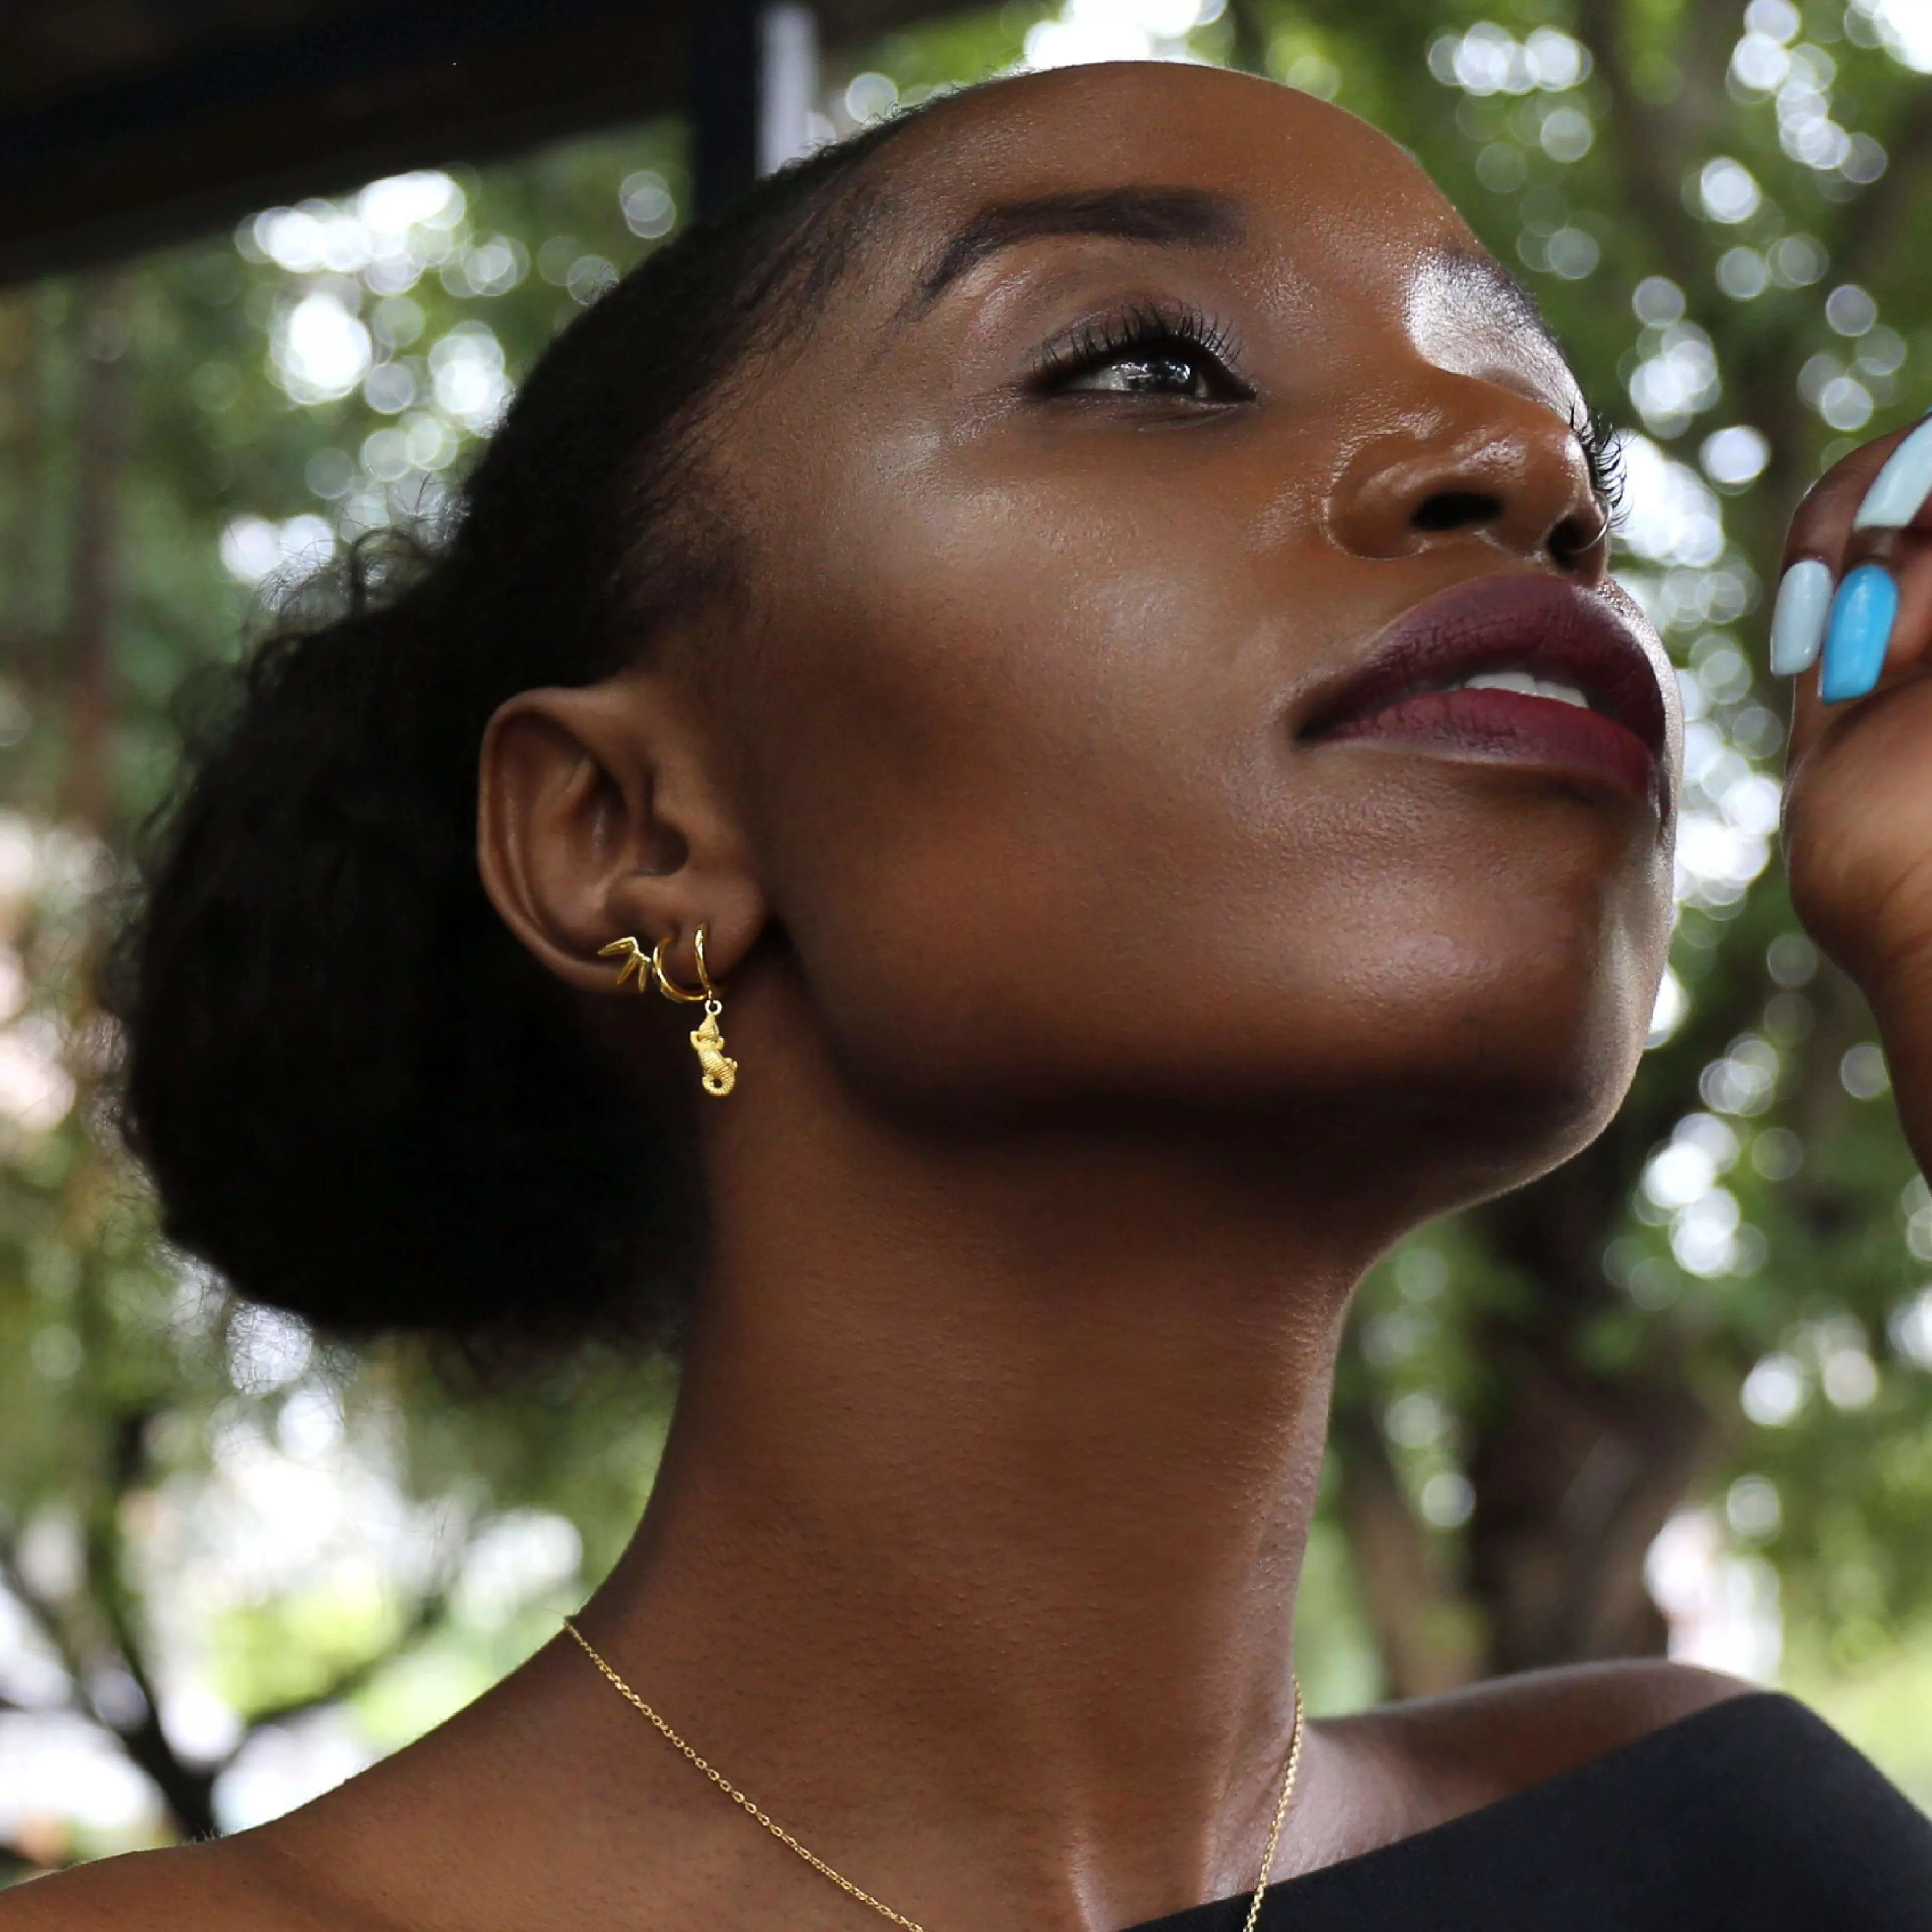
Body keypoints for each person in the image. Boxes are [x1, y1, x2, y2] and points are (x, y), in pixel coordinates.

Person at [9, 57, 1932, 1932]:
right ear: (626, 831)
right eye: (1153, 365)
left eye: (1578, 458)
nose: (1530, 480)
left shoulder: (1728, 1855)